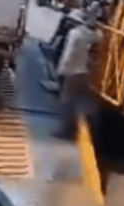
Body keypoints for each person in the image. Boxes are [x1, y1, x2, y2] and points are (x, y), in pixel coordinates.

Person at [53, 12, 101, 140]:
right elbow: (100, 37)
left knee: (66, 103)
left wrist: (61, 69)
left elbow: (68, 53)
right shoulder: (90, 35)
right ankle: (92, 127)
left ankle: (66, 131)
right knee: (85, 102)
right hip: (84, 73)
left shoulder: (74, 34)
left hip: (71, 73)